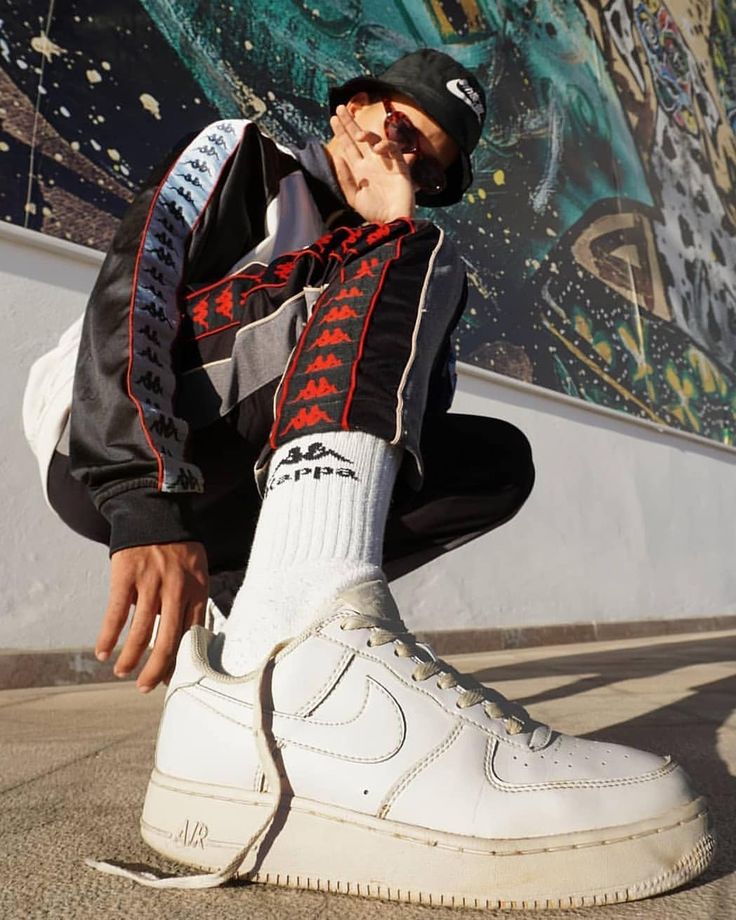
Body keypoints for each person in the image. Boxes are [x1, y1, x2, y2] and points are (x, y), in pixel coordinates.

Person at [27, 49, 711, 906]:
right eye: (394, 125)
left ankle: (268, 658)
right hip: (116, 437)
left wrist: (393, 223)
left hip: (238, 472)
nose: (400, 156)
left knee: (491, 461)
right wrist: (143, 496)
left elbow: (403, 415)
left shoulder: (383, 246)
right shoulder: (245, 155)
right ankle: (315, 655)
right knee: (401, 255)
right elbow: (137, 287)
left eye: (424, 159)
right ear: (349, 107)